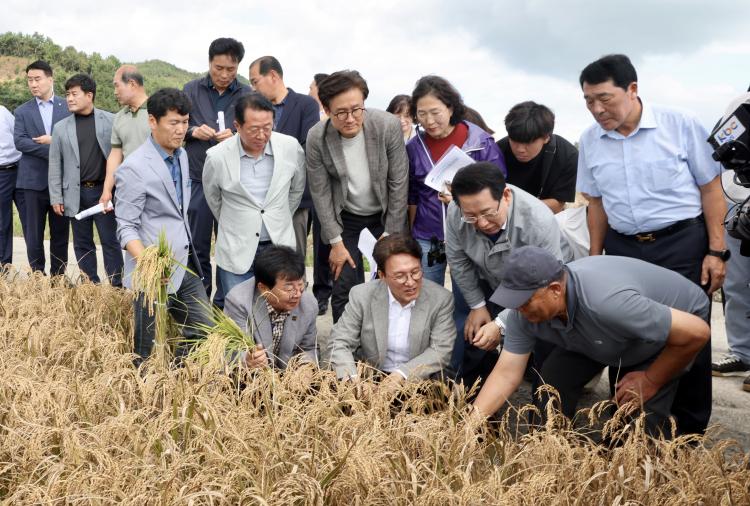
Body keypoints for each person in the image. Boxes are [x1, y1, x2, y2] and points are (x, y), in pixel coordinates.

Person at [576, 54, 724, 434]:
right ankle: (627, 427)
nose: (597, 109)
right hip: (624, 248)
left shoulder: (680, 124)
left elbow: (711, 189)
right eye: (589, 101)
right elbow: (596, 204)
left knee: (691, 333)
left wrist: (716, 251)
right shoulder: (590, 140)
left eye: (604, 98)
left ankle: (687, 432)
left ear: (632, 89)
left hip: (681, 243)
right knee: (624, 331)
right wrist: (594, 260)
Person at [473, 246, 711, 438]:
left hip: (668, 331)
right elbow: (506, 374)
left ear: (555, 290)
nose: (518, 309)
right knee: (551, 386)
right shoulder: (522, 313)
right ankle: (546, 453)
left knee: (637, 417)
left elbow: (697, 332)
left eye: (525, 302)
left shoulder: (608, 303)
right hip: (598, 333)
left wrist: (651, 380)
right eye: (513, 301)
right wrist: (467, 428)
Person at [446, 162, 569, 389]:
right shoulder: (456, 212)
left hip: (536, 284)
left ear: (506, 196)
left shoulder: (538, 221)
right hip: (486, 275)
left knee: (543, 339)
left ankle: (543, 395)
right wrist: (477, 305)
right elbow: (458, 261)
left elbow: (545, 283)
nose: (482, 223)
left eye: (488, 213)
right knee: (474, 330)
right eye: (471, 217)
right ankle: (473, 393)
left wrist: (501, 323)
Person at [114, 88, 211, 362]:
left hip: (183, 264)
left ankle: (177, 376)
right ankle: (145, 385)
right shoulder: (134, 167)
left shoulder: (181, 156)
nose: (181, 130)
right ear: (152, 121)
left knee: (203, 329)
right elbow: (125, 227)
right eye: (173, 123)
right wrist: (150, 263)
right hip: (152, 273)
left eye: (185, 122)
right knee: (147, 349)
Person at [306, 70, 409, 323]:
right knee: (344, 284)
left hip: (385, 214)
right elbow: (320, 193)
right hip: (347, 217)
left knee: (392, 279)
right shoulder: (317, 137)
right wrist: (335, 242)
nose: (351, 119)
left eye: (357, 109)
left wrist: (391, 232)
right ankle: (344, 343)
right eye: (341, 112)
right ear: (327, 110)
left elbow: (398, 182)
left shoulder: (387, 126)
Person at [406, 75, 505, 287]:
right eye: (422, 114)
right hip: (428, 235)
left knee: (468, 294)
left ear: (450, 108)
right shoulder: (414, 147)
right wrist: (411, 234)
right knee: (427, 293)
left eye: (435, 112)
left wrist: (459, 201)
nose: (429, 121)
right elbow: (412, 194)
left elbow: (499, 189)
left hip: (472, 233)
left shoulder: (480, 143)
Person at [203, 93, 305, 295]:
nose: (261, 135)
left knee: (280, 306)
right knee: (239, 308)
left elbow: (296, 189)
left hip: (279, 244)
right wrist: (237, 221)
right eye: (254, 129)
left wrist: (280, 214)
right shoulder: (217, 157)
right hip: (237, 248)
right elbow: (213, 198)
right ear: (237, 126)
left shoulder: (290, 147)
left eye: (267, 127)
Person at [329, 233, 454, 384]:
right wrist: (353, 380)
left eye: (415, 272)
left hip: (416, 378)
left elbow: (441, 350)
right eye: (400, 276)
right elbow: (340, 341)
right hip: (370, 375)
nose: (410, 282)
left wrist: (403, 373)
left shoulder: (440, 299)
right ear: (382, 275)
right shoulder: (362, 295)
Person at [183, 37, 251, 308]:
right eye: (218, 68)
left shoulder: (247, 95)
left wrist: (236, 136)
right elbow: (177, 125)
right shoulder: (191, 90)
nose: (224, 75)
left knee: (230, 245)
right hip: (199, 178)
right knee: (197, 244)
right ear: (210, 62)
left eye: (230, 69)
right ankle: (199, 303)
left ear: (238, 67)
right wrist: (193, 131)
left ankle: (226, 304)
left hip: (233, 182)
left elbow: (257, 132)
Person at [48, 74, 123, 286]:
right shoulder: (60, 127)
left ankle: (117, 287)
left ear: (89, 95)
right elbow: (55, 164)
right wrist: (56, 196)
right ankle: (90, 287)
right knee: (82, 243)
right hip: (75, 193)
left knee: (110, 241)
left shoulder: (111, 120)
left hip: (103, 192)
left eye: (74, 94)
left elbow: (120, 156)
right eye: (67, 94)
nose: (69, 99)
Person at [249, 56, 321, 261]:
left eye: (255, 81)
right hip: (259, 200)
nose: (253, 88)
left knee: (291, 261)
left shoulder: (306, 105)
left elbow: (306, 149)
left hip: (293, 199)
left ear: (273, 76)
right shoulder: (254, 109)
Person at [13, 60, 70, 276]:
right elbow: (20, 142)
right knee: (33, 235)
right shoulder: (22, 111)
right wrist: (54, 148)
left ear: (50, 79)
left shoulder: (68, 107)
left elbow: (73, 140)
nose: (33, 84)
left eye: (37, 79)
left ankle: (58, 278)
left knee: (60, 234)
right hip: (31, 183)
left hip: (61, 183)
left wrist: (52, 142)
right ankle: (37, 276)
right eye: (29, 80)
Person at [224, 245, 318, 370]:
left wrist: (304, 368)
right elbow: (231, 349)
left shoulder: (308, 304)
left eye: (301, 285)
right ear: (263, 288)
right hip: (252, 376)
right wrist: (247, 359)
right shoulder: (238, 302)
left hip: (290, 375)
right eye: (289, 288)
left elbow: (309, 348)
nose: (297, 294)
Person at [497, 101, 578, 214]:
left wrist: (514, 207)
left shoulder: (567, 155)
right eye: (514, 140)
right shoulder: (496, 152)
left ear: (546, 137)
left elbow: (557, 204)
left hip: (545, 217)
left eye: (528, 142)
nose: (520, 149)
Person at [99, 65, 150, 208]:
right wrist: (107, 189)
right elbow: (116, 155)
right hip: (127, 189)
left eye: (117, 86)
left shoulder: (158, 111)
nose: (115, 92)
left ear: (132, 84)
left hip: (155, 188)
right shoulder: (119, 117)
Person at [309, 71, 333, 315]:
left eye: (311, 87)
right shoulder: (309, 114)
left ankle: (323, 292)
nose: (308, 92)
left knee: (324, 244)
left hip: (325, 192)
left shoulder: (331, 120)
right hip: (304, 190)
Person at [0, 105, 23, 265]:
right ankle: (4, 266)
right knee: (2, 222)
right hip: (1, 174)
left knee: (31, 219)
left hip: (20, 168)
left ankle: (37, 269)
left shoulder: (2, 111)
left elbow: (19, 134)